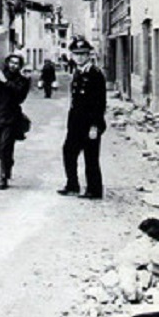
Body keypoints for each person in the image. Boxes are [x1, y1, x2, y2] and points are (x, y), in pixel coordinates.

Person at [57, 37, 107, 200]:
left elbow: (100, 103)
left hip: (90, 123)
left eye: (83, 54)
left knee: (91, 157)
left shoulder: (95, 74)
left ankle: (94, 190)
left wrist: (95, 126)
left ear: (88, 55)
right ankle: (72, 185)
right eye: (76, 54)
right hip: (76, 123)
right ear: (72, 55)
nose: (79, 57)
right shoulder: (78, 73)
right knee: (68, 152)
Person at [0, 53, 31, 190]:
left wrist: (5, 82)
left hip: (11, 118)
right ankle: (8, 162)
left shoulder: (22, 80)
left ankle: (3, 176)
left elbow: (20, 96)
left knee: (5, 146)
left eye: (16, 63)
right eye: (11, 62)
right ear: (7, 63)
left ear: (20, 66)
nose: (13, 65)